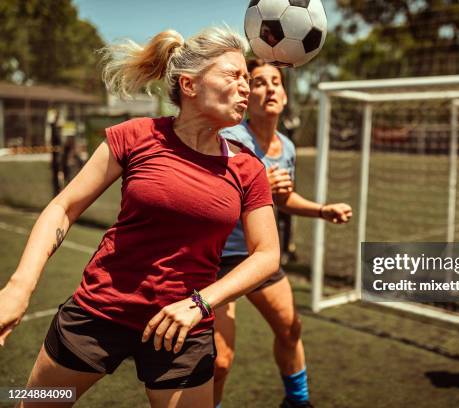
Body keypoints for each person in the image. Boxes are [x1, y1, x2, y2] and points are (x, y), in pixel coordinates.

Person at [0, 27, 280, 408]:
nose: (246, 87)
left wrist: (200, 302)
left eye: (247, 78)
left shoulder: (248, 168)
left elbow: (267, 255)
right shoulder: (135, 136)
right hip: (98, 313)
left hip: (183, 331)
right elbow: (63, 207)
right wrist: (19, 288)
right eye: (233, 75)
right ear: (190, 85)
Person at [214, 59, 353, 408]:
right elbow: (212, 195)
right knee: (219, 360)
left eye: (276, 81)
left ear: (286, 96)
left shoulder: (287, 148)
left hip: (260, 255)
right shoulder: (230, 138)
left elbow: (284, 198)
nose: (269, 88)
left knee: (291, 329)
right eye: (259, 82)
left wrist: (322, 210)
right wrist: (258, 182)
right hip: (216, 258)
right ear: (247, 96)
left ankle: (297, 402)